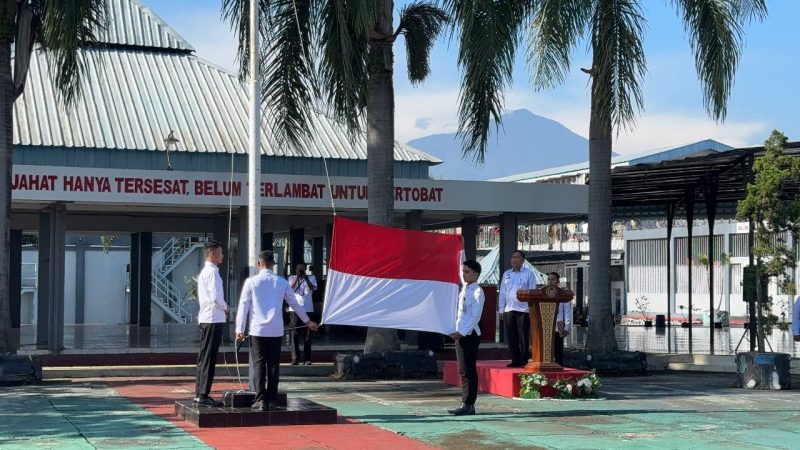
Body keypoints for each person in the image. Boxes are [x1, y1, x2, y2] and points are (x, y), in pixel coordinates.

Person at [235, 251, 318, 411]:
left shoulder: (251, 282)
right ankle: (272, 399)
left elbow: (243, 306)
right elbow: (294, 304)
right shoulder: (281, 282)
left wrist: (240, 329)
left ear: (259, 264)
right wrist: (308, 321)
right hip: (275, 330)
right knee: (273, 365)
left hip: (257, 330)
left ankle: (260, 400)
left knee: (259, 364)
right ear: (273, 264)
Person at [448, 260, 485, 416]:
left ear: (475, 275)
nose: (464, 274)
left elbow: (475, 316)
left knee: (468, 369)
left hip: (469, 334)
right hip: (461, 333)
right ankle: (465, 402)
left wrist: (462, 333)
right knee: (463, 369)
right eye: (463, 271)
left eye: (467, 272)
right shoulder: (465, 288)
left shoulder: (478, 291)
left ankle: (469, 403)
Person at [194, 241, 228, 407]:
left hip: (208, 318)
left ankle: (200, 392)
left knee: (204, 357)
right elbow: (216, 296)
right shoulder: (212, 272)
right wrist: (226, 308)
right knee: (208, 358)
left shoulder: (207, 271)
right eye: (220, 252)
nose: (222, 256)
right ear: (212, 254)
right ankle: (203, 394)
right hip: (213, 318)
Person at [498, 250, 537, 367]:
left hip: (524, 310)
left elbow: (532, 291)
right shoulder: (507, 274)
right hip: (509, 309)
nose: (514, 259)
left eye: (517, 257)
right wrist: (501, 309)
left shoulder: (529, 273)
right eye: (513, 257)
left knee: (523, 336)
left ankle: (523, 360)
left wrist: (531, 309)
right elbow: (503, 293)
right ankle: (515, 360)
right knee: (511, 336)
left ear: (523, 260)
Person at [288, 262, 317, 365]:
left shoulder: (311, 277)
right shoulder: (292, 278)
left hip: (307, 308)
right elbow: (289, 289)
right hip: (294, 310)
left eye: (302, 269)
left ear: (305, 269)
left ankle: (307, 358)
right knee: (294, 334)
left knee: (307, 335)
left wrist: (305, 277)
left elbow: (313, 287)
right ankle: (295, 358)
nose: (300, 271)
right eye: (298, 269)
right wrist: (297, 277)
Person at [549, 272, 572, 366]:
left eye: (553, 279)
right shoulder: (543, 293)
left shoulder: (563, 294)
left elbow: (567, 311)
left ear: (558, 281)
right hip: (548, 323)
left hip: (559, 324)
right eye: (549, 279)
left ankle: (559, 365)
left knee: (558, 347)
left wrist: (567, 327)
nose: (550, 282)